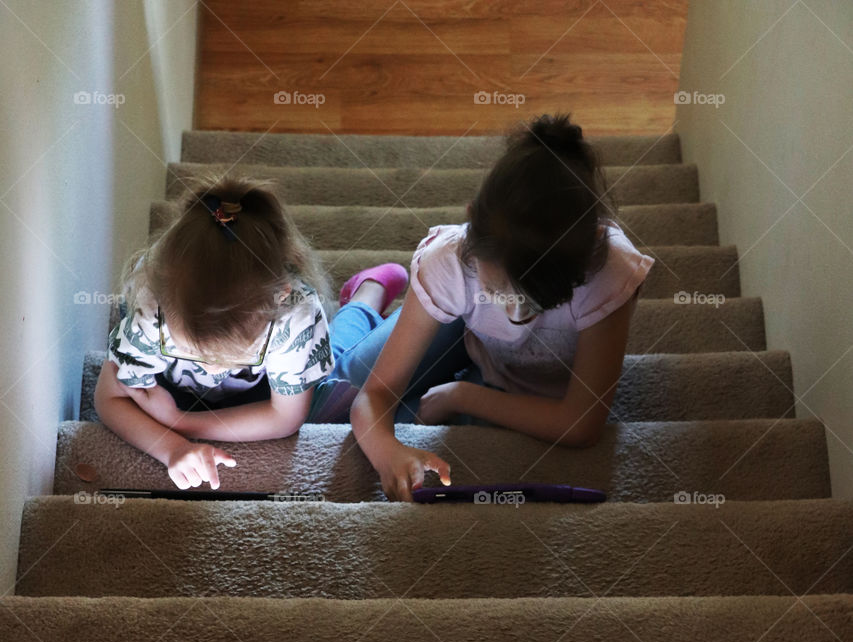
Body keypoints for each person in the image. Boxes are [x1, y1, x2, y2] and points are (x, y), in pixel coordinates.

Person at [346, 113, 656, 501]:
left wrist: (462, 395)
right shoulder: (452, 259)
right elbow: (372, 395)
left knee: (431, 431)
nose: (515, 316)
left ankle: (424, 330)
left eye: (538, 301)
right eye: (496, 291)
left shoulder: (609, 271)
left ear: (590, 250)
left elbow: (581, 425)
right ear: (471, 229)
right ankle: (366, 296)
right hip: (465, 325)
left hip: (503, 374)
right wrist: (386, 453)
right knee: (348, 385)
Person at [93, 174, 410, 490]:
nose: (211, 369)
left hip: (259, 389)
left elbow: (285, 418)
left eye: (233, 357)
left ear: (281, 297)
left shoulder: (295, 312)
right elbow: (109, 398)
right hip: (176, 391)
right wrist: (171, 447)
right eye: (189, 349)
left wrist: (180, 422)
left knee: (335, 384)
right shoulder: (152, 304)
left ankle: (366, 296)